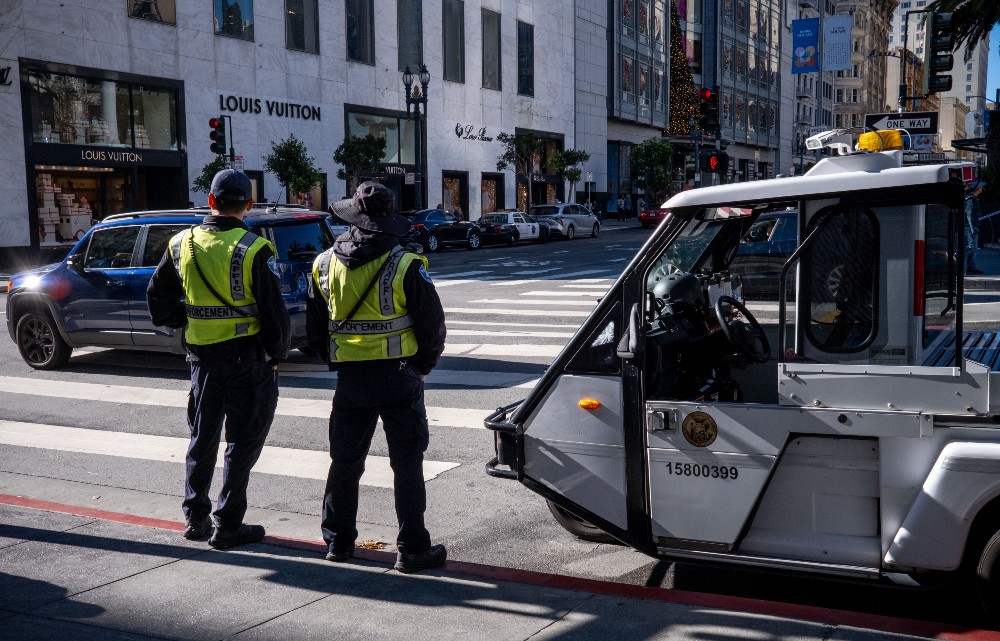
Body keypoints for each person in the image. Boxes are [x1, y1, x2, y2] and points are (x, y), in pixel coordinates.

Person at [307, 181, 448, 573]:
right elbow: (432, 326)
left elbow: (316, 331)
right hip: (399, 377)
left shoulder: (323, 264)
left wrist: (341, 362)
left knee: (345, 462)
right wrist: (422, 368)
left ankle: (337, 542)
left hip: (351, 380)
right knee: (406, 463)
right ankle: (412, 548)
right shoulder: (406, 264)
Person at [147, 169, 291, 550]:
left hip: (201, 359)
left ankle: (195, 518)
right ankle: (228, 523)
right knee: (242, 443)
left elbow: (157, 300)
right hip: (248, 360)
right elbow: (274, 313)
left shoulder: (181, 243)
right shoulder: (255, 248)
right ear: (249, 205)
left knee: (202, 437)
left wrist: (187, 319)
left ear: (210, 201)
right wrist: (277, 356)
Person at [966, 179, 986, 275]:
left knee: (973, 248)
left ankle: (971, 268)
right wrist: (972, 228)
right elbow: (969, 215)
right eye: (981, 187)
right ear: (978, 188)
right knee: (971, 247)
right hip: (970, 227)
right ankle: (955, 259)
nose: (982, 188)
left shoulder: (973, 199)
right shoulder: (970, 199)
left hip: (973, 226)